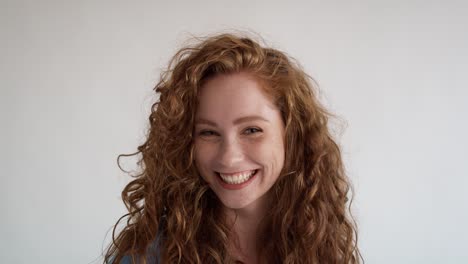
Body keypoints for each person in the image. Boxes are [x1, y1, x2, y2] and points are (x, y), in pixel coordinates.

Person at [104, 32, 362, 264]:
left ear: (291, 133)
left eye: (251, 130)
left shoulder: (319, 242)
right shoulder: (145, 257)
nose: (229, 157)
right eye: (208, 132)